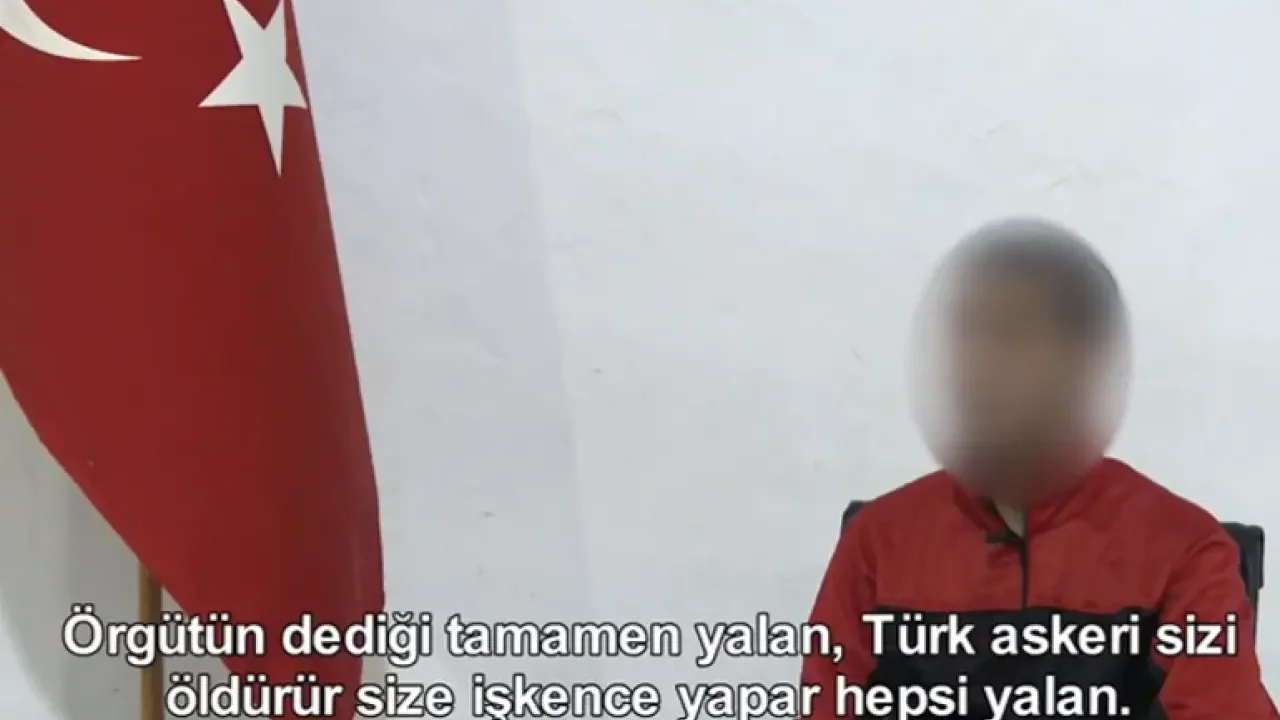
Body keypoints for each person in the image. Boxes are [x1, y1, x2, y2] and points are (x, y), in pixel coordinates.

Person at [802, 218, 1277, 719]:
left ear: (1083, 365)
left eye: (1011, 336)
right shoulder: (879, 542)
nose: (978, 366)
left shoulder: (1184, 551)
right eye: (964, 336)